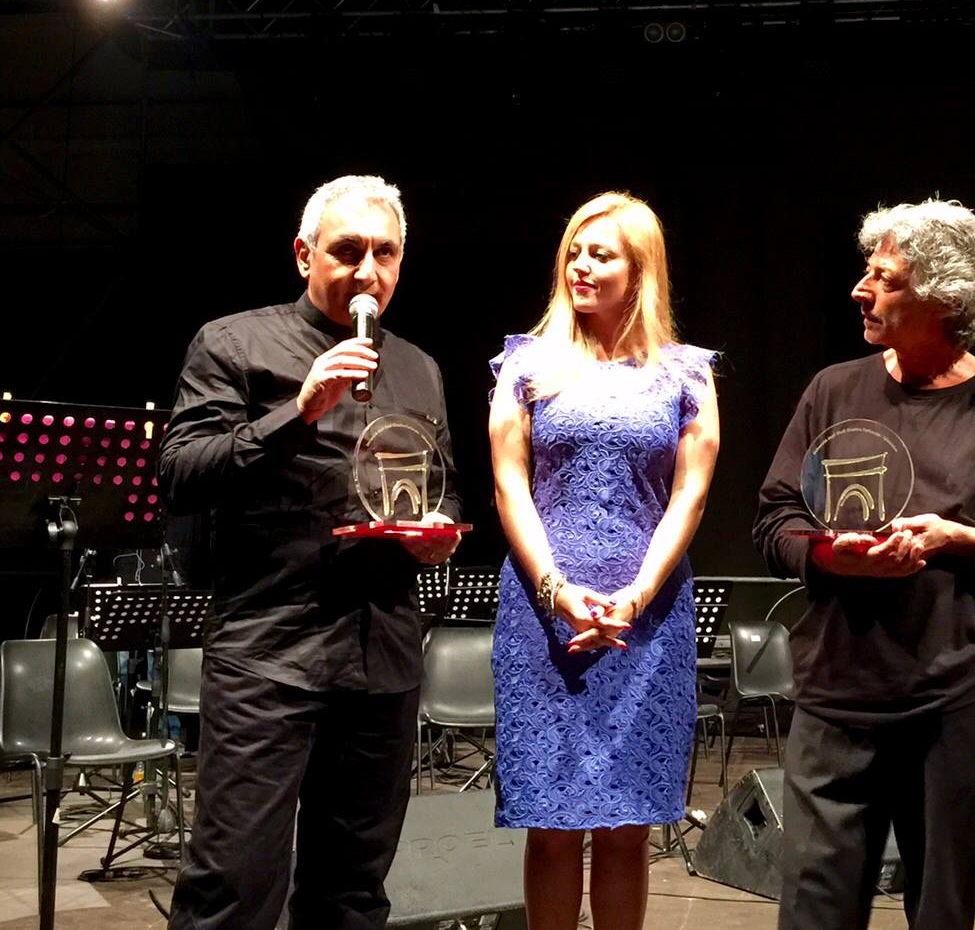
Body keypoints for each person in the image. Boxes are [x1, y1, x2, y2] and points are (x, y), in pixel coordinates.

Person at [753, 199, 975, 930]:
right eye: (866, 272)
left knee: (939, 911)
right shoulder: (832, 390)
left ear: (946, 299)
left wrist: (961, 540)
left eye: (887, 279)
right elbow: (774, 522)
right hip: (837, 691)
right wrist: (832, 557)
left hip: (954, 696)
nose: (860, 290)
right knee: (812, 910)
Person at [160, 175, 462, 929]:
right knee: (232, 888)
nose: (368, 271)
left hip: (383, 659)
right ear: (304, 254)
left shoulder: (419, 368)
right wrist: (298, 410)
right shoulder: (234, 343)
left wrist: (439, 530)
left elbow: (445, 489)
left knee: (353, 895)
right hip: (270, 656)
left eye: (385, 254)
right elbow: (182, 472)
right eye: (348, 251)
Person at [488, 191, 719, 930]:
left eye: (601, 255)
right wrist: (556, 590)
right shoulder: (526, 364)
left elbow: (690, 496)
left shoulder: (686, 374)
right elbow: (509, 485)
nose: (581, 267)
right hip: (543, 618)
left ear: (640, 270)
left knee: (627, 828)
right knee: (551, 826)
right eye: (574, 254)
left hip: (645, 623)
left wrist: (637, 594)